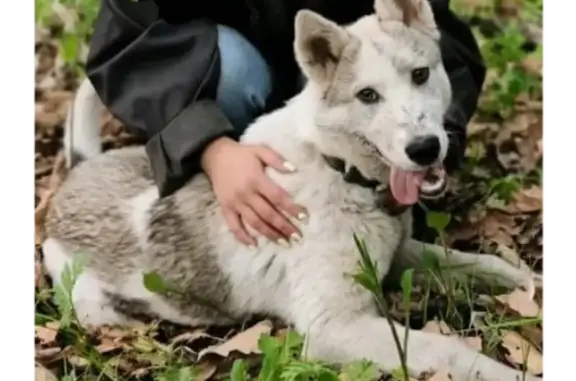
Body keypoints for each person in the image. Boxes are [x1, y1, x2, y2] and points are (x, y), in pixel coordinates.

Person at [85, 0, 486, 247]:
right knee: (236, 69)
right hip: (227, 83)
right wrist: (210, 147)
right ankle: (235, 186)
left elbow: (433, 44)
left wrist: (436, 136)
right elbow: (125, 40)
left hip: (341, 92)